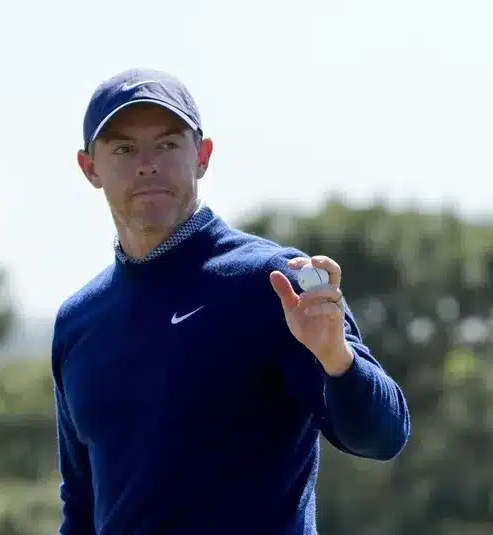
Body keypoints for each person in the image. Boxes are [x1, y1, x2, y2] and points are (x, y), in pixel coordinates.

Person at [50, 67, 411, 535]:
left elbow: (383, 436)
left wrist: (335, 357)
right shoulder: (78, 322)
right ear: (90, 168)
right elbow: (81, 507)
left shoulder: (273, 282)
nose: (147, 164)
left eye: (167, 144)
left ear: (202, 156)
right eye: (123, 148)